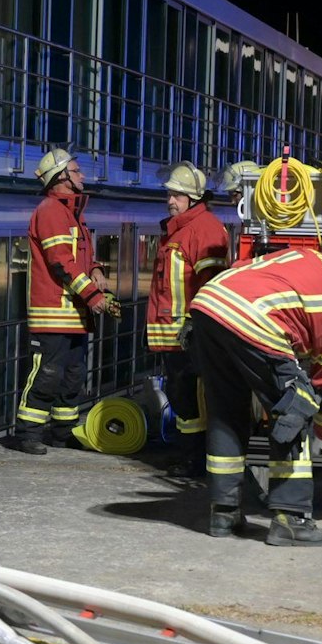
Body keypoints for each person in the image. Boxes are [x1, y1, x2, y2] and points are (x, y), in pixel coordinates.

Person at [188, 245, 322, 547]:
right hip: (253, 320)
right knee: (297, 410)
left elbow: (253, 268)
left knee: (226, 414)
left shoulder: (312, 256)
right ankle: (291, 519)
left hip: (208, 305)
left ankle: (223, 513)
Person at [15, 148, 118, 455]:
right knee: (47, 373)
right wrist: (93, 295)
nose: (82, 175)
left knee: (72, 376)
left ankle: (64, 431)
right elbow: (61, 263)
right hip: (53, 311)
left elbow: (80, 258)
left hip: (73, 312)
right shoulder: (50, 211)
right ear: (61, 177)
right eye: (77, 170)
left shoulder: (71, 213)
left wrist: (97, 268)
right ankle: (28, 434)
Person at [144, 163, 230, 475]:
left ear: (193, 199)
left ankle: (194, 459)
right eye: (169, 193)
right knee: (183, 395)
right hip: (175, 333)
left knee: (191, 397)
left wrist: (197, 322)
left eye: (177, 195)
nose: (170, 200)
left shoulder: (203, 230)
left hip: (189, 333)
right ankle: (189, 454)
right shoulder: (181, 230)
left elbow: (211, 282)